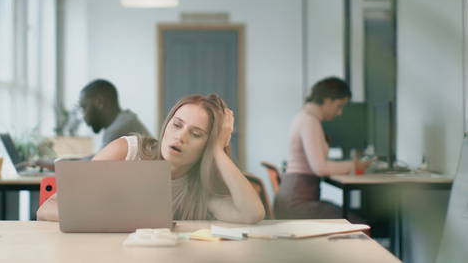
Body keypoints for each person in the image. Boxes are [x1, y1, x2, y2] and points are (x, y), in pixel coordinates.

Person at [37, 94, 265, 223]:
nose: (180, 137)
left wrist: (217, 148)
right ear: (166, 125)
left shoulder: (201, 188)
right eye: (176, 125)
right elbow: (47, 209)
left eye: (196, 134)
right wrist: (114, 215)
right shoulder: (127, 152)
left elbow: (252, 213)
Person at [273, 77, 373, 221]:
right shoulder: (309, 121)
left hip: (292, 197)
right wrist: (353, 165)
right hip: (297, 203)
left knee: (351, 217)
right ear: (327, 100)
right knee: (358, 222)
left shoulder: (303, 117)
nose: (339, 113)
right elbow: (319, 168)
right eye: (339, 106)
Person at [34, 79, 150, 171]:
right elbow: (96, 159)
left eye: (84, 108)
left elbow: (92, 167)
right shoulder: (125, 120)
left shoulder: (120, 128)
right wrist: (60, 161)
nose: (84, 117)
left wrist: (55, 164)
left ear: (99, 102)